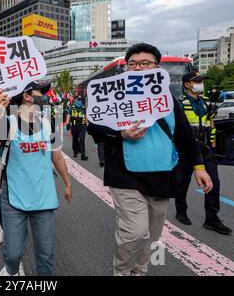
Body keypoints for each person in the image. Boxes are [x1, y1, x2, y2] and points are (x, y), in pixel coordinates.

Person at [87, 43, 213, 276]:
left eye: (145, 63)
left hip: (162, 175)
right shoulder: (114, 97)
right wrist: (120, 133)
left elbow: (186, 136)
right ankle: (122, 271)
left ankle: (139, 270)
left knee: (153, 234)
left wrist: (199, 166)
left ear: (156, 67)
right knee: (135, 231)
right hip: (124, 175)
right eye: (132, 64)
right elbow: (93, 127)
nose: (138, 68)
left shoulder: (169, 101)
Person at [0, 82, 72, 276]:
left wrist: (67, 182)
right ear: (28, 96)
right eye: (41, 91)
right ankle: (11, 270)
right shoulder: (7, 123)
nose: (46, 96)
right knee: (13, 254)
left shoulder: (49, 123)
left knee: (46, 256)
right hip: (14, 195)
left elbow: (56, 156)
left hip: (44, 196)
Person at [175, 72, 232, 235]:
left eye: (202, 81)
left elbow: (211, 124)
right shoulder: (180, 103)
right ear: (187, 84)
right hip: (186, 149)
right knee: (182, 182)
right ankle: (181, 211)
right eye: (197, 81)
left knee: (213, 182)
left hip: (206, 149)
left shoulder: (207, 102)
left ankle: (212, 219)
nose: (201, 84)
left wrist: (213, 146)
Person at [66, 96, 88, 160]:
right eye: (78, 99)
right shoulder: (72, 107)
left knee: (82, 139)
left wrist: (87, 125)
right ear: (75, 100)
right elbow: (68, 115)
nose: (79, 101)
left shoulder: (84, 108)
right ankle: (75, 152)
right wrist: (67, 124)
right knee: (75, 139)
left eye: (80, 99)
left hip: (82, 126)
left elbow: (86, 116)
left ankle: (83, 154)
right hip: (74, 126)